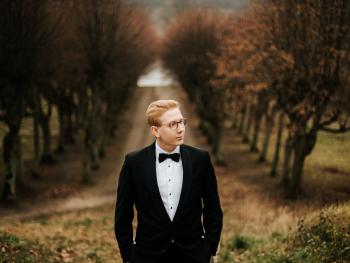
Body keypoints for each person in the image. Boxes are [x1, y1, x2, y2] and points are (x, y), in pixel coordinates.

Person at [115, 99, 223, 263]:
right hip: (148, 256)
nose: (180, 129)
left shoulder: (200, 159)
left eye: (181, 122)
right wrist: (129, 254)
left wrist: (209, 248)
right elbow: (123, 215)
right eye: (173, 124)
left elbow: (213, 209)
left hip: (193, 255)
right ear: (155, 130)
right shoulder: (133, 163)